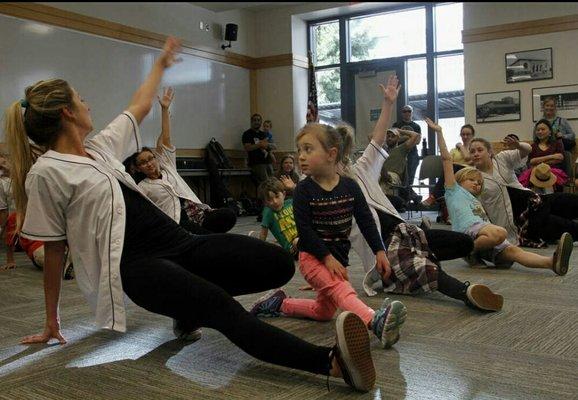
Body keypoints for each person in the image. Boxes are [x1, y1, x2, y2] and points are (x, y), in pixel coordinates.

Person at [6, 37, 378, 393]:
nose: (88, 103)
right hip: (139, 266)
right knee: (222, 308)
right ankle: (330, 363)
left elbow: (139, 106)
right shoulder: (48, 172)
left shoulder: (99, 149)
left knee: (277, 264)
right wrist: (51, 320)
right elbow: (53, 250)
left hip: (181, 244)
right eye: (81, 99)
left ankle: (187, 309)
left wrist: (160, 64)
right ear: (67, 112)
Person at [251, 121, 408, 350]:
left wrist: (379, 251)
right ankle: (374, 320)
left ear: (331, 154)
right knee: (339, 288)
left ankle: (278, 304)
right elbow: (304, 230)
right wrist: (326, 257)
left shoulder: (350, 187)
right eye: (299, 151)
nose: (300, 157)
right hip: (313, 258)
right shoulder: (303, 190)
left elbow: (366, 221)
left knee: (324, 312)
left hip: (337, 258)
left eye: (308, 149)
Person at [350, 77, 500, 312]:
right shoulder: (324, 196)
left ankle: (496, 255)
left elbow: (378, 137)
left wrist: (388, 104)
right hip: (385, 249)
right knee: (425, 268)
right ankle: (466, 292)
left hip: (408, 233)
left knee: (463, 242)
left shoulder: (360, 169)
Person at [426, 117, 573, 276]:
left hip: (488, 233)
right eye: (471, 180)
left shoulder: (485, 184)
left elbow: (526, 151)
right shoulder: (454, 191)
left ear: (490, 152)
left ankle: (551, 263)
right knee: (500, 233)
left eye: (478, 182)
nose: (477, 183)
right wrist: (439, 132)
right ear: (459, 181)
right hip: (471, 232)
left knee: (514, 252)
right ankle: (465, 250)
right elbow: (447, 159)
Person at [130, 87, 236, 235]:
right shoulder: (143, 187)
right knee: (206, 237)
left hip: (197, 214)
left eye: (151, 158)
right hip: (178, 220)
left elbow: (165, 138)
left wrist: (165, 110)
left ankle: (204, 235)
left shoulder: (167, 167)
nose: (149, 163)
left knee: (228, 215)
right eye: (143, 162)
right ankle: (203, 237)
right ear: (138, 168)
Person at [470, 134, 578, 246]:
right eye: (472, 152)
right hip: (517, 218)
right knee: (561, 224)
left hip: (533, 200)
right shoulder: (473, 177)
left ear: (489, 152)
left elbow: (527, 149)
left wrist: (518, 145)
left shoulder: (501, 158)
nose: (476, 154)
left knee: (566, 200)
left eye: (479, 150)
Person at [423, 124, 476, 207]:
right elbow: (448, 164)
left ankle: (434, 196)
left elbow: (468, 158)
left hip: (469, 174)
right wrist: (466, 163)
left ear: (472, 135)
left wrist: (461, 146)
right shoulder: (454, 150)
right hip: (454, 175)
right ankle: (440, 200)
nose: (465, 137)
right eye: (463, 134)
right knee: (450, 168)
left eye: (468, 134)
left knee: (454, 167)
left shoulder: (475, 149)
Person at [518, 119, 567, 191]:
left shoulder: (557, 143)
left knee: (547, 177)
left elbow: (560, 157)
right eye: (538, 130)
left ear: (550, 131)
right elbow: (531, 162)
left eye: (543, 129)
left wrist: (538, 161)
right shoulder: (533, 146)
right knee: (536, 177)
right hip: (536, 173)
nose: (540, 132)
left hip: (554, 173)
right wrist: (552, 156)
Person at [257, 177, 299, 258]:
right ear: (265, 202)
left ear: (283, 194)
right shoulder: (268, 212)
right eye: (269, 199)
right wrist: (259, 250)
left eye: (277, 196)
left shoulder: (291, 202)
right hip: (293, 248)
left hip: (304, 239)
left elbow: (305, 197)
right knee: (297, 241)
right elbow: (263, 233)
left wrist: (294, 187)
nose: (275, 202)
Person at [379, 127, 421, 206]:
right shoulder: (383, 150)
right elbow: (370, 137)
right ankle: (397, 202)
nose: (390, 138)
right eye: (388, 136)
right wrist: (384, 131)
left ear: (398, 138)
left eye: (393, 136)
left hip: (393, 176)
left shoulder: (402, 149)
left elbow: (415, 135)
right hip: (381, 174)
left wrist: (399, 131)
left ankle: (395, 202)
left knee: (384, 180)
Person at [392, 104, 421, 201]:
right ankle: (412, 197)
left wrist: (403, 137)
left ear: (412, 113)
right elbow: (394, 139)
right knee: (401, 179)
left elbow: (417, 141)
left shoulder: (416, 126)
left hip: (412, 154)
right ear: (402, 113)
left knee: (409, 179)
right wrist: (409, 137)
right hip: (399, 154)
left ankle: (406, 201)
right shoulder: (396, 125)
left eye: (409, 111)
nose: (407, 113)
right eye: (404, 111)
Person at [243, 113, 274, 185]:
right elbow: (248, 148)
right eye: (255, 120)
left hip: (267, 161)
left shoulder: (263, 134)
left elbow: (267, 146)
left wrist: (267, 145)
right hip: (256, 163)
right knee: (266, 183)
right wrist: (259, 144)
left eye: (259, 120)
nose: (257, 122)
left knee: (273, 182)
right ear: (251, 122)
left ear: (261, 122)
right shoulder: (247, 134)